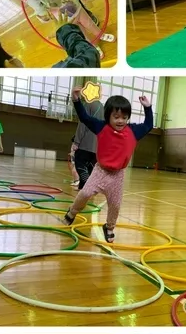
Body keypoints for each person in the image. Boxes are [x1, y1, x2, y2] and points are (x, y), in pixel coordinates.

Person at [63, 89, 154, 242]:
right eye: (116, 117)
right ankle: (72, 212)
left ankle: (109, 227)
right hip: (100, 171)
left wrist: (148, 107)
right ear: (108, 116)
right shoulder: (101, 127)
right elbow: (84, 118)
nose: (120, 121)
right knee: (85, 193)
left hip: (117, 175)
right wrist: (76, 100)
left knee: (115, 204)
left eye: (124, 117)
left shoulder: (133, 131)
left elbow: (148, 125)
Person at [71, 99, 104, 190]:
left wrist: (76, 142)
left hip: (85, 145)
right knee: (90, 167)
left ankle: (87, 185)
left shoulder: (88, 105)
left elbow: (82, 124)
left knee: (80, 164)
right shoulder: (103, 108)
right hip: (97, 148)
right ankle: (82, 188)